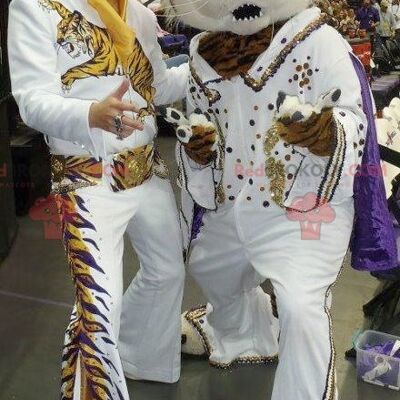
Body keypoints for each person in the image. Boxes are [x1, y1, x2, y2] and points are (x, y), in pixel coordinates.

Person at [162, 0, 397, 399]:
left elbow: (354, 115)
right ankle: (243, 332)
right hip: (232, 197)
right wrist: (200, 147)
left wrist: (325, 134)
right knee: (210, 269)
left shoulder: (318, 41)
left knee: (302, 310)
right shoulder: (205, 54)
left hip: (304, 200)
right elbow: (205, 123)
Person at [8, 0, 188, 398]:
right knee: (98, 307)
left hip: (146, 170)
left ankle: (140, 355)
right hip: (86, 176)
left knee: (168, 273)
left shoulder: (139, 15)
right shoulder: (38, 7)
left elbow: (154, 85)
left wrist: (205, 66)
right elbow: (31, 99)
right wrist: (90, 113)